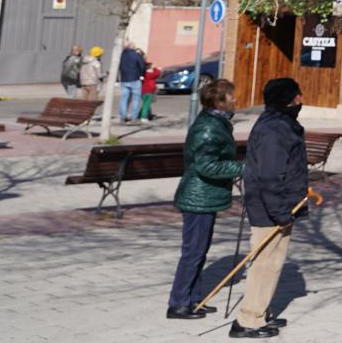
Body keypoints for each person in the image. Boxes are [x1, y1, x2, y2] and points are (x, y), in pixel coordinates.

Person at [233, 77, 307, 339]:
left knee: (272, 263)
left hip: (278, 206)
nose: (301, 100)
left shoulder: (279, 124)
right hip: (270, 209)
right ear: (289, 98)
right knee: (265, 264)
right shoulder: (275, 129)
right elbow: (269, 176)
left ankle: (259, 312)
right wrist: (281, 213)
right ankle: (248, 320)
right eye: (297, 95)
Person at [166, 78, 245, 321]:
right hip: (198, 197)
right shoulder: (208, 128)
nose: (235, 100)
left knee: (199, 250)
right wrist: (242, 168)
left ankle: (194, 298)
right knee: (193, 251)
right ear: (220, 101)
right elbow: (207, 165)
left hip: (205, 196)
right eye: (231, 97)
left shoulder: (216, 122)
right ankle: (178, 303)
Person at [117, 41, 147, 123]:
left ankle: (122, 117)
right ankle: (133, 118)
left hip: (124, 79)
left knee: (124, 98)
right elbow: (142, 66)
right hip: (135, 78)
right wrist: (142, 74)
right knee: (136, 99)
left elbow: (118, 66)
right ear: (132, 47)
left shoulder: (121, 55)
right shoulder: (136, 55)